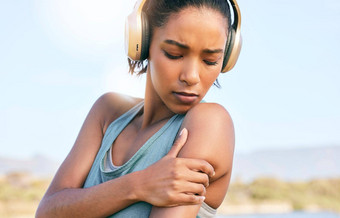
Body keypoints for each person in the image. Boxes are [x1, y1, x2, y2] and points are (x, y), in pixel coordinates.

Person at [36, 0, 241, 217]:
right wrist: (138, 185)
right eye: (174, 54)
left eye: (210, 60)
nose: (191, 76)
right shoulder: (107, 113)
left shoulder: (209, 122)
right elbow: (47, 212)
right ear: (142, 42)